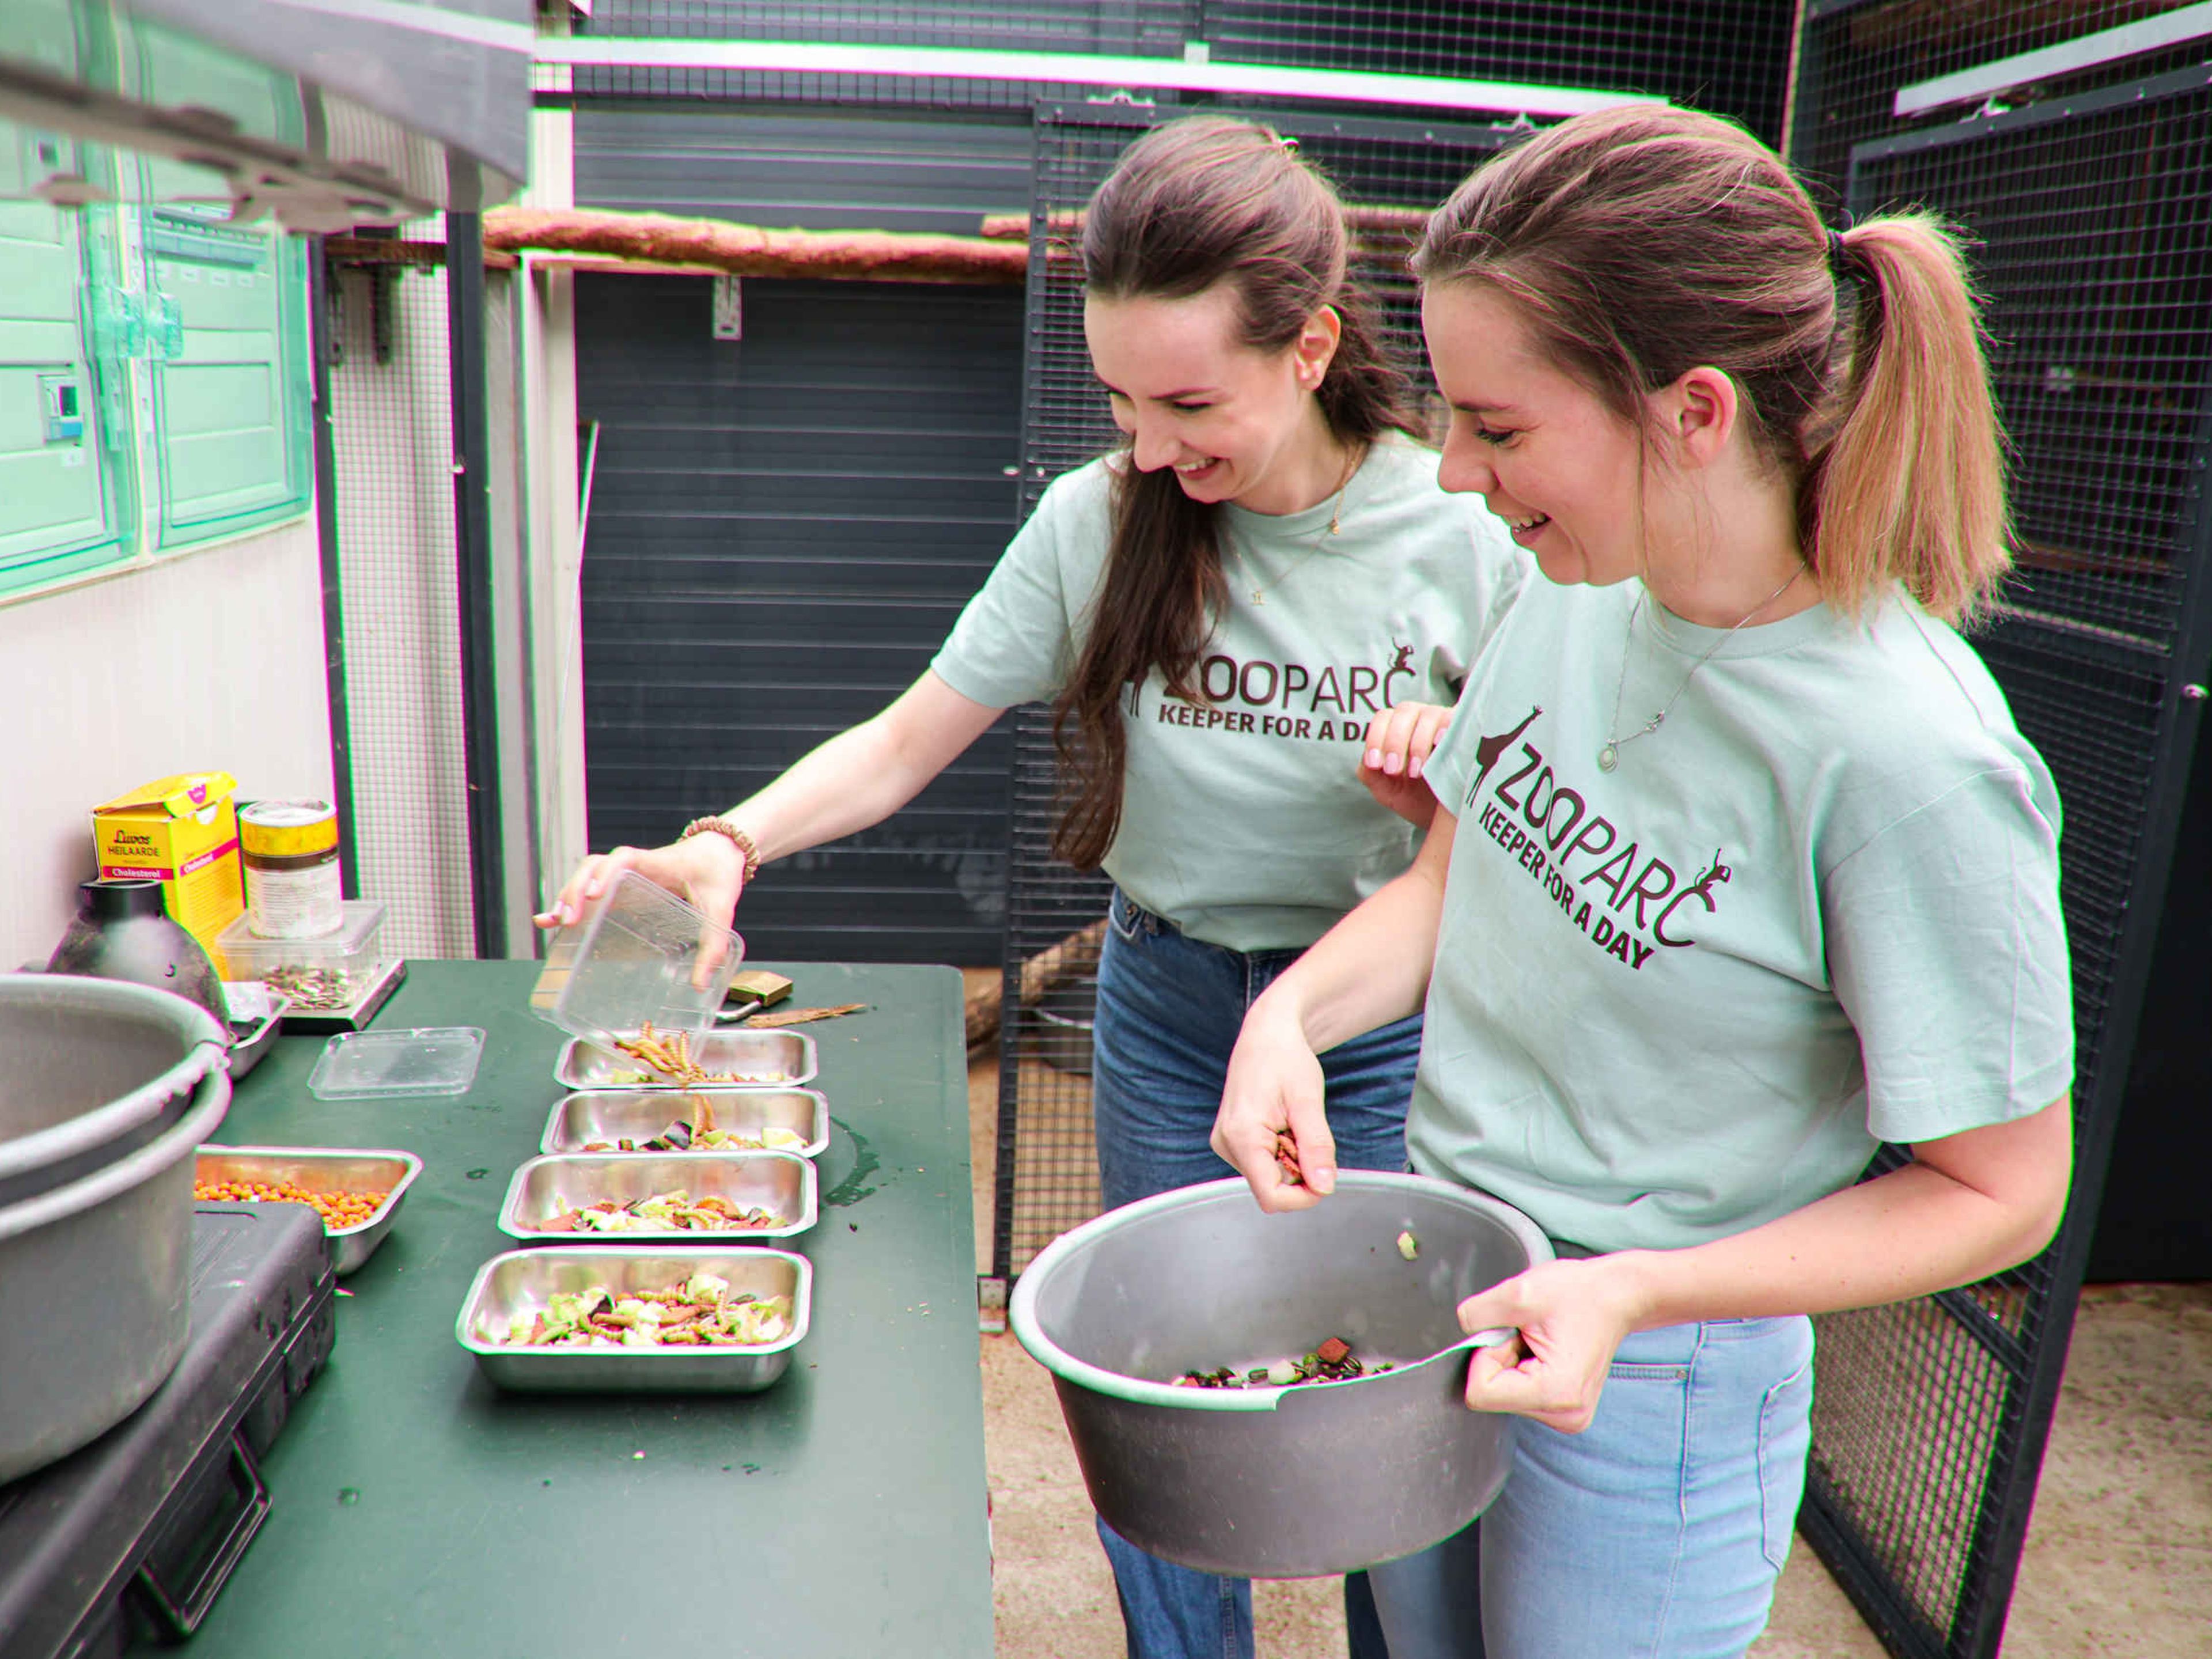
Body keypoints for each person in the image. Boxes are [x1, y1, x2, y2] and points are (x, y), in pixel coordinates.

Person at [539, 114, 1520, 1659]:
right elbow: (905, 739)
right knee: (1162, 1387)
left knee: (1385, 1396)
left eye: (1188, 400)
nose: (1146, 445)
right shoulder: (1101, 517)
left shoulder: (1469, 528)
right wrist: (724, 845)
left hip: (1383, 1019)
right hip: (1170, 997)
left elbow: (1552, 800)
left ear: (1313, 346)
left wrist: (1469, 763)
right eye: (1121, 398)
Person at [1211, 104, 2075, 1659]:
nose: (1459, 473)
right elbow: (1463, 870)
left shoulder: (1908, 755)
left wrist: (1639, 1291)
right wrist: (1294, 1016)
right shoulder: (1574, 589)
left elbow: (2001, 1191)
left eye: (1502, 425)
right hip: (1443, 1280)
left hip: (1656, 1370)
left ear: (1690, 411)